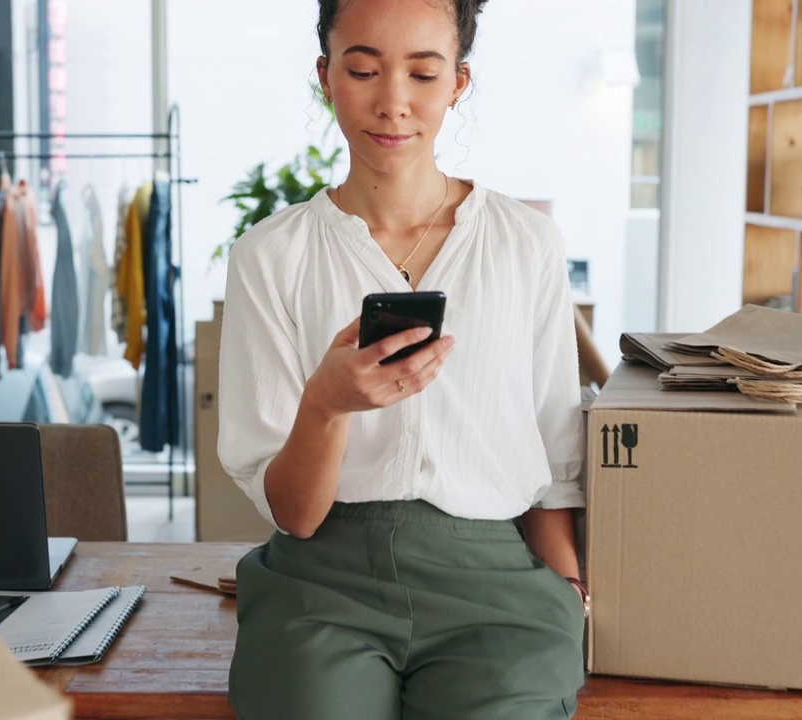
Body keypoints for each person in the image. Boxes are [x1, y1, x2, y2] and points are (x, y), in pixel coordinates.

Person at [217, 0, 587, 717]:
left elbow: (555, 450)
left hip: (495, 584)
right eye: (363, 69)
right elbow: (292, 514)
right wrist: (326, 405)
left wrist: (571, 590)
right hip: (320, 585)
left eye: (423, 73)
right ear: (326, 76)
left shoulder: (526, 243)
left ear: (459, 82)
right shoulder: (270, 256)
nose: (393, 103)